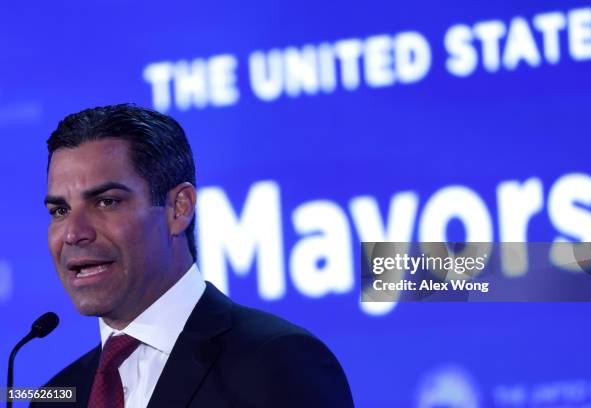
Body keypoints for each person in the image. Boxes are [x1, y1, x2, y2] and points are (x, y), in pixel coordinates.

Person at [32, 104, 353, 408]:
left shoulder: (277, 362)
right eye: (60, 210)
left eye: (107, 202)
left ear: (178, 208)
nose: (73, 233)